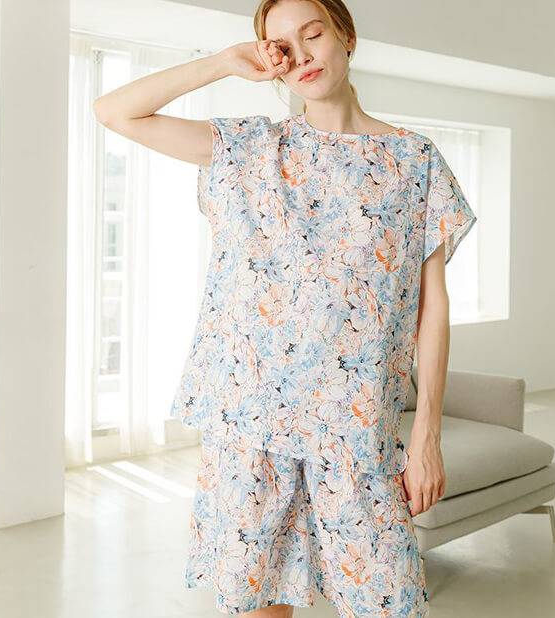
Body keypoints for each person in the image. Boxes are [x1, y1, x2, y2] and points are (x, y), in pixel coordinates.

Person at [93, 1, 477, 616]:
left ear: (346, 36)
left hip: (356, 428)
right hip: (250, 423)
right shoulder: (249, 148)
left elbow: (432, 310)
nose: (300, 56)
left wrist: (426, 433)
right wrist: (225, 62)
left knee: (390, 601)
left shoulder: (415, 161)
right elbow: (114, 111)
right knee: (259, 603)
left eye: (313, 34)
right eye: (281, 46)